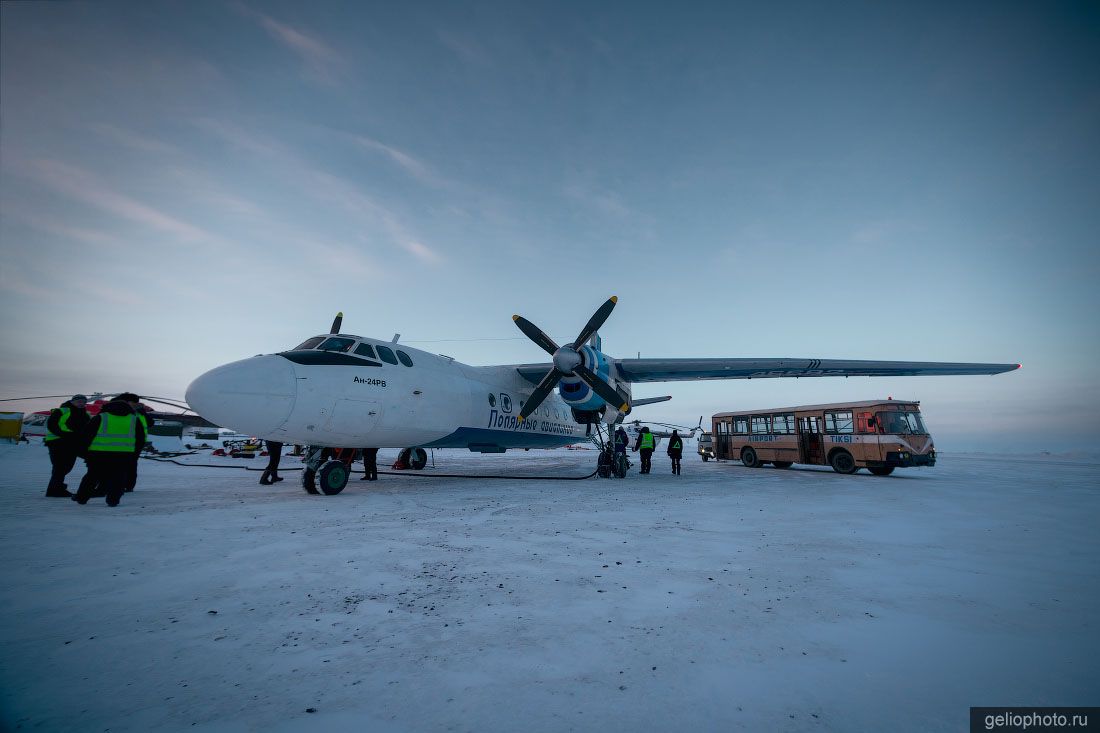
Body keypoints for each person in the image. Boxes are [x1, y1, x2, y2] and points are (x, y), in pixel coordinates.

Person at [72, 393, 146, 507]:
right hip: (124, 455)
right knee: (119, 477)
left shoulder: (101, 417)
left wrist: (83, 452)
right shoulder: (134, 420)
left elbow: (86, 435)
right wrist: (134, 453)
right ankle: (113, 500)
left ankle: (82, 498)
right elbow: (140, 439)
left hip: (98, 454)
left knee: (91, 477)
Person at [44, 394, 90, 497]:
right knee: (60, 467)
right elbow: (52, 425)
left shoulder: (85, 414)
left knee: (66, 467)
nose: (81, 404)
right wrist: (66, 435)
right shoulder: (62, 411)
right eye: (79, 401)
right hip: (58, 442)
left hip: (73, 444)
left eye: (83, 402)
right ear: (72, 401)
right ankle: (55, 490)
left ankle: (55, 488)